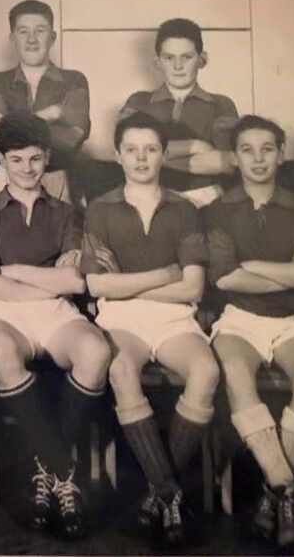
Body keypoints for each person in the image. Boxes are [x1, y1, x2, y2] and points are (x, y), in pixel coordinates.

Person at [0, 112, 110, 537]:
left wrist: (13, 270)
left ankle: (44, 473)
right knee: (1, 350)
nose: (26, 169)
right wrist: (43, 282)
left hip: (55, 311)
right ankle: (64, 474)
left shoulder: (67, 213)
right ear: (1, 161)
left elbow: (74, 281)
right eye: (16, 160)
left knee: (96, 351)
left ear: (47, 156)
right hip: (3, 311)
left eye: (34, 159)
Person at [82, 112, 220, 547]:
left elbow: (193, 287)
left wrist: (128, 284)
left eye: (150, 149)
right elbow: (97, 285)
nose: (141, 158)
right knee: (121, 368)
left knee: (207, 371)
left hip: (174, 317)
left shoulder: (184, 209)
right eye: (132, 150)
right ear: (117, 156)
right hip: (121, 319)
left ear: (164, 154)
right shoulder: (100, 208)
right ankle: (170, 492)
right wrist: (164, 274)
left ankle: (156, 493)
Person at [207, 115, 294, 548]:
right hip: (239, 319)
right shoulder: (219, 210)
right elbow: (225, 277)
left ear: (281, 154)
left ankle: (270, 495)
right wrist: (287, 273)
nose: (258, 158)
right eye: (247, 149)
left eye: (267, 149)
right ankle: (285, 490)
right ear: (235, 158)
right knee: (235, 372)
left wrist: (253, 266)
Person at [119, 18, 239, 206]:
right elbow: (123, 154)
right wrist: (194, 146)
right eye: (169, 58)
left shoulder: (222, 105)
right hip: (149, 198)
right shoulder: (138, 102)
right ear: (157, 62)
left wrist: (149, 157)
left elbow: (225, 163)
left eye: (186, 57)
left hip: (205, 200)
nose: (177, 66)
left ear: (202, 59)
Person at [0, 0, 90, 201]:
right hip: (9, 178)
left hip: (59, 178)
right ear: (12, 38)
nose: (32, 39)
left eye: (40, 30)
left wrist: (14, 127)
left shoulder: (74, 81)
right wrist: (53, 113)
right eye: (23, 31)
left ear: (53, 37)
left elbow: (71, 139)